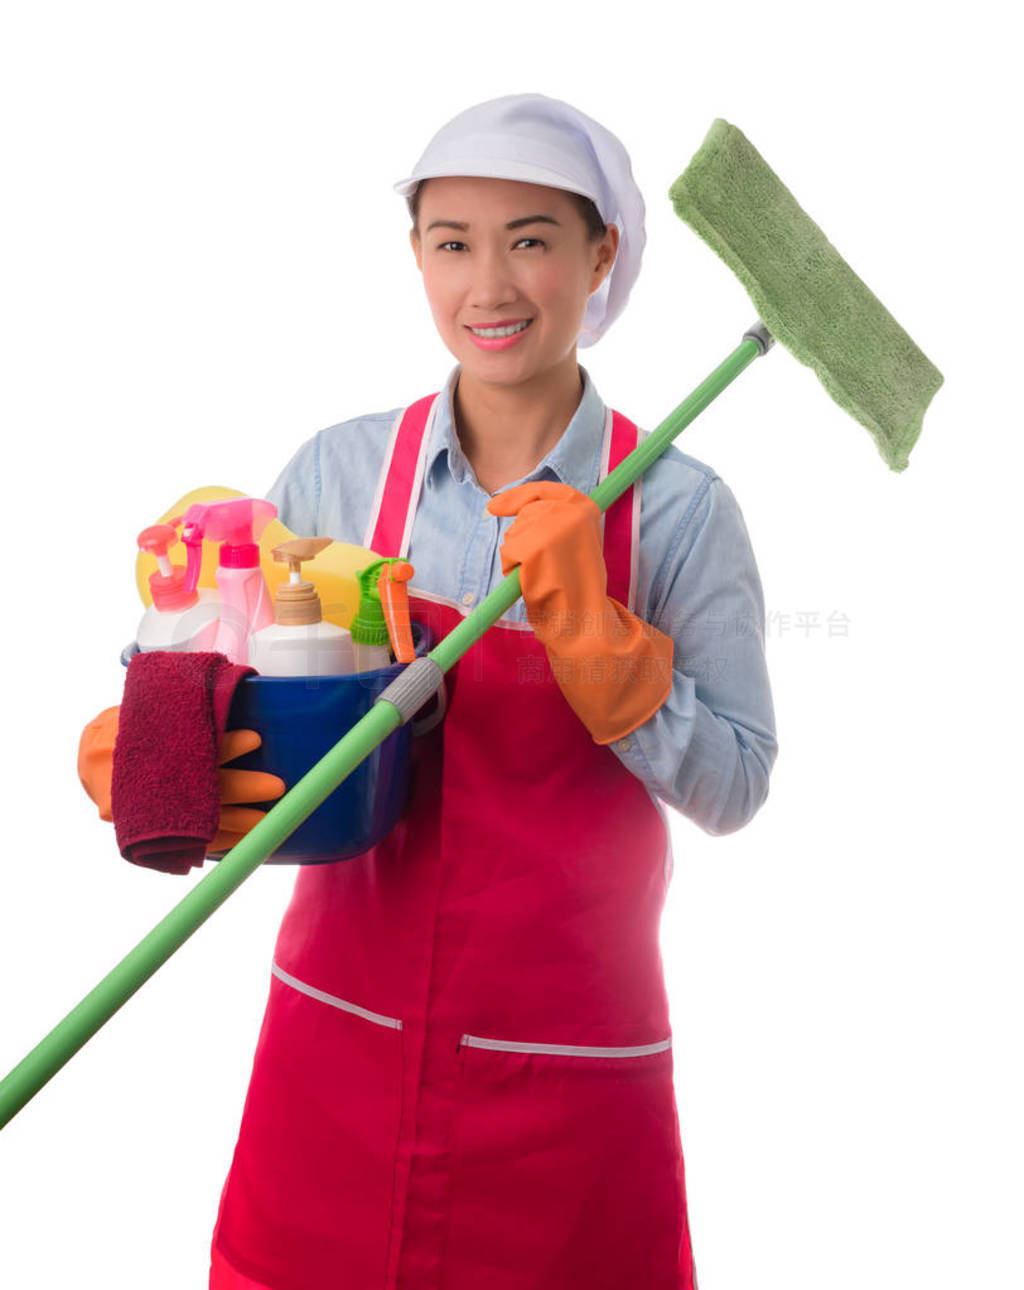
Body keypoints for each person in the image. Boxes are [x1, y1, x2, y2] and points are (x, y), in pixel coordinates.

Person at [81, 92, 777, 1289]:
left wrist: (599, 643)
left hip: (567, 1080)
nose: (489, 286)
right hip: (335, 1051)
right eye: (451, 241)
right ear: (415, 255)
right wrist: (161, 745)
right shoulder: (338, 470)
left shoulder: (677, 508)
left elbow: (736, 784)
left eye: (532, 239)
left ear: (599, 253)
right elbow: (223, 665)